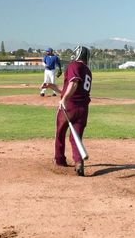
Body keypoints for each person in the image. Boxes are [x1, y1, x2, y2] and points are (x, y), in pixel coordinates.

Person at [41, 46, 92, 176]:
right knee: (76, 138)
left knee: (60, 132)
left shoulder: (73, 65)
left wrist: (64, 100)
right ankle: (78, 161)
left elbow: (73, 83)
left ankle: (59, 160)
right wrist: (52, 86)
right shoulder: (87, 70)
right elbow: (69, 88)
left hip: (69, 106)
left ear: (78, 54)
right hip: (83, 109)